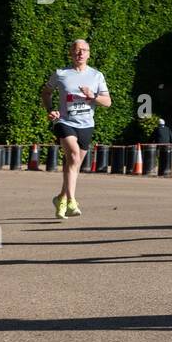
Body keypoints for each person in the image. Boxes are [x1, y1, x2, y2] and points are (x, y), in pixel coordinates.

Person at [41, 39, 110, 219]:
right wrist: (50, 110)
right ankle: (72, 201)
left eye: (84, 50)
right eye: (77, 50)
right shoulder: (61, 74)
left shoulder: (97, 76)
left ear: (89, 53)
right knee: (72, 156)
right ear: (71, 53)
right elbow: (46, 92)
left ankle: (60, 198)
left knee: (74, 165)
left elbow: (107, 102)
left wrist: (92, 96)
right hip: (65, 122)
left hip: (86, 125)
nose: (80, 53)